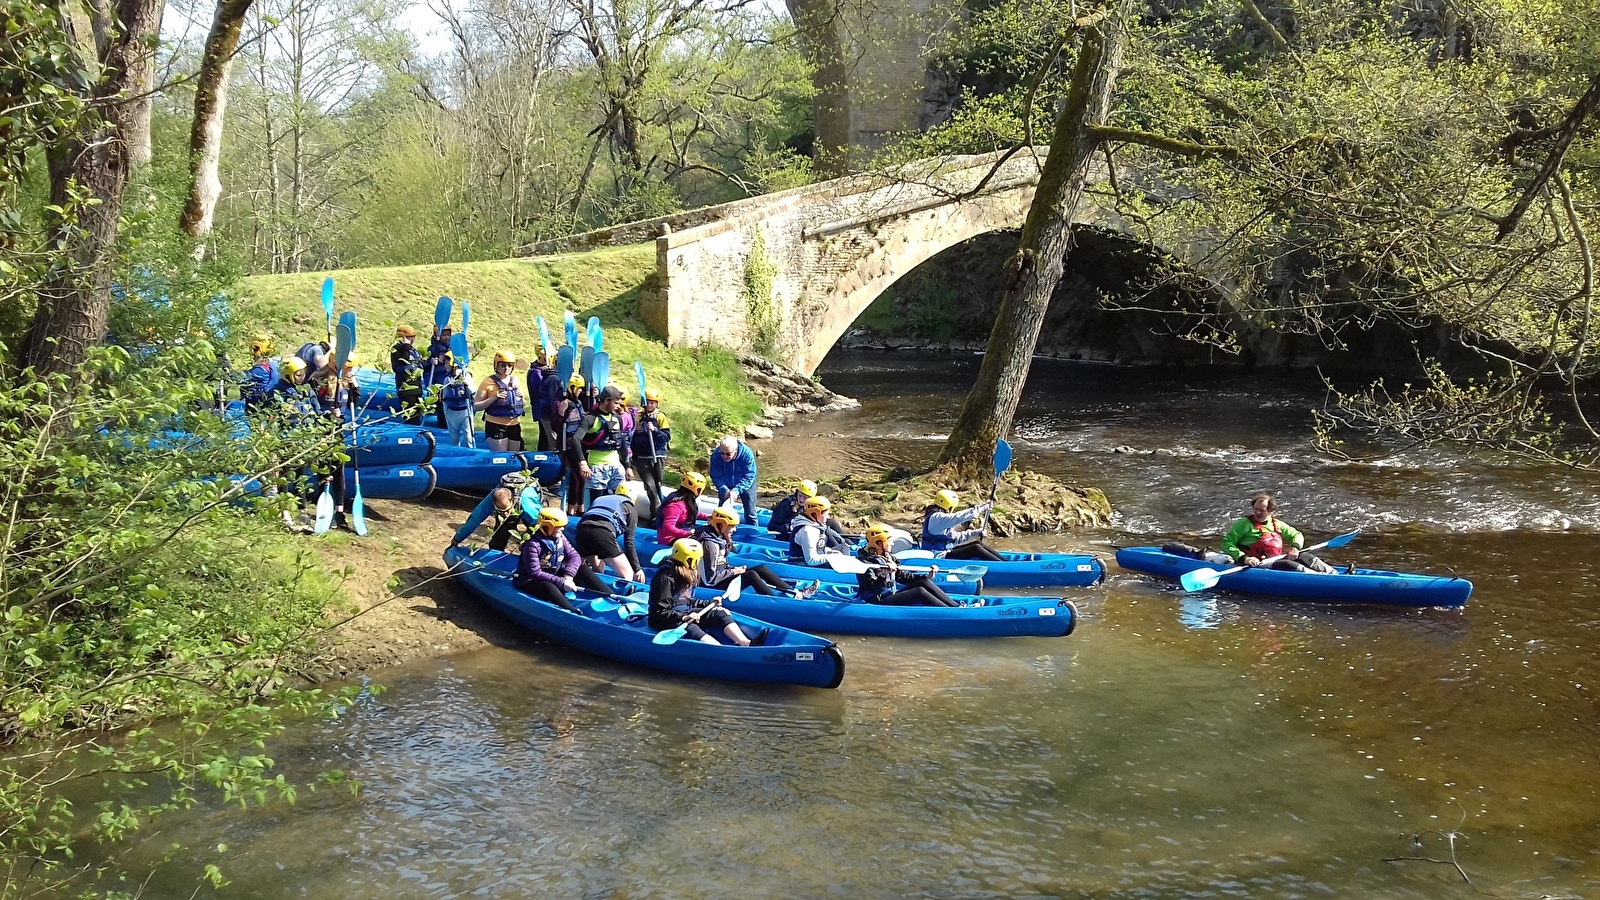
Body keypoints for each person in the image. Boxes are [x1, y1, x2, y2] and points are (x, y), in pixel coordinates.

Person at [647, 539, 766, 646]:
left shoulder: (686, 572)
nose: (699, 562)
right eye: (697, 559)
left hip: (685, 613)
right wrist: (683, 617)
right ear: (688, 560)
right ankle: (721, 651)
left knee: (719, 612)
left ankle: (745, 643)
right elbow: (659, 612)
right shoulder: (665, 578)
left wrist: (709, 603)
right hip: (665, 620)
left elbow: (687, 600)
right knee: (691, 626)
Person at [696, 505, 814, 597]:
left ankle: (792, 591)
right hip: (712, 586)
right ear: (721, 525)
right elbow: (709, 580)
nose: (735, 529)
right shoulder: (709, 544)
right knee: (751, 575)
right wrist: (733, 572)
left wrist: (732, 569)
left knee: (760, 568)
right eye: (732, 526)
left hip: (721, 577)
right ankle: (774, 601)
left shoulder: (719, 539)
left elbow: (721, 565)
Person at [513, 508, 614, 613]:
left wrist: (569, 576)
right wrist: (562, 582)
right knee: (547, 586)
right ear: (547, 526)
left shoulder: (560, 538)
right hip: (530, 581)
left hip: (554, 574)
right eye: (558, 527)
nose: (562, 529)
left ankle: (610, 595)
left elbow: (574, 555)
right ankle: (571, 610)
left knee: (582, 568)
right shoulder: (532, 545)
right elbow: (535, 573)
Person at [1219, 492, 1339, 574]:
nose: (1257, 513)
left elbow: (1297, 535)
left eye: (1262, 510)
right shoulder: (1243, 524)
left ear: (1271, 511)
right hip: (1255, 564)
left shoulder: (1277, 524)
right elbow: (1227, 543)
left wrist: (1295, 548)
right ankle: (1320, 579)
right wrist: (1244, 558)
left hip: (1273, 559)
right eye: (1256, 509)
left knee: (1305, 556)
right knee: (1287, 564)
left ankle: (1334, 574)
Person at [856, 524, 960, 606]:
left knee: (924, 582)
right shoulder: (865, 563)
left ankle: (955, 607)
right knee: (919, 592)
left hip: (890, 594)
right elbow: (871, 589)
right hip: (876, 600)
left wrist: (927, 576)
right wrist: (883, 575)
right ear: (879, 543)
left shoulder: (889, 558)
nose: (892, 543)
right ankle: (952, 614)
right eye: (890, 540)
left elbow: (903, 577)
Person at [575, 482, 645, 583]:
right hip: (602, 532)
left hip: (581, 530)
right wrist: (637, 569)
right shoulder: (631, 509)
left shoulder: (600, 499)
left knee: (598, 570)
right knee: (628, 575)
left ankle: (592, 589)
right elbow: (629, 542)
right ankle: (621, 597)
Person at [450, 471, 539, 550]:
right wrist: (458, 538)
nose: (505, 514)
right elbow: (475, 518)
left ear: (511, 499)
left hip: (528, 507)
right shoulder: (492, 498)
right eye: (501, 511)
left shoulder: (527, 502)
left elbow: (540, 523)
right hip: (512, 503)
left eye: (507, 510)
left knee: (532, 540)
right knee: (498, 538)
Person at [578, 385, 634, 502]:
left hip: (616, 466)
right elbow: (575, 439)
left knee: (618, 500)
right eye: (616, 403)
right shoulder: (590, 418)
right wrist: (582, 463)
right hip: (597, 467)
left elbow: (622, 442)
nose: (619, 406)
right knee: (597, 502)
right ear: (607, 400)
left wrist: (628, 467)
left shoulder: (617, 418)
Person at [921, 490, 1003, 561]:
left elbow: (955, 538)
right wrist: (982, 508)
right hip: (937, 557)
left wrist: (975, 533)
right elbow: (959, 517)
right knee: (976, 549)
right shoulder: (937, 518)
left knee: (978, 544)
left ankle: (1007, 564)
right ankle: (1004, 567)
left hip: (946, 552)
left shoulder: (941, 518)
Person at [768, 480, 851, 545]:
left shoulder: (810, 504)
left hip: (806, 527)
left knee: (831, 523)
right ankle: (841, 548)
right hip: (790, 535)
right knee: (825, 532)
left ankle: (848, 542)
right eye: (800, 496)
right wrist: (790, 526)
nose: (801, 500)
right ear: (797, 493)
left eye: (805, 498)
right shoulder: (785, 505)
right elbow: (771, 526)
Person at [630, 389, 671, 517]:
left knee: (657, 483)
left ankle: (662, 511)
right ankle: (656, 512)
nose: (650, 405)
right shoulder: (638, 416)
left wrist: (654, 430)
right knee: (649, 485)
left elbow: (666, 437)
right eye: (648, 402)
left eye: (653, 403)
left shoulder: (660, 416)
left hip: (657, 454)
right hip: (641, 456)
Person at [475, 351, 526, 451]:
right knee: (501, 458)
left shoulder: (515, 381)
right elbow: (476, 405)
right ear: (496, 365)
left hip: (514, 424)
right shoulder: (487, 382)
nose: (506, 368)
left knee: (513, 458)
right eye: (503, 365)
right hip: (496, 425)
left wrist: (522, 398)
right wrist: (493, 398)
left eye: (510, 365)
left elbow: (523, 404)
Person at [787, 495, 852, 565]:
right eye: (825, 514)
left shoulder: (817, 525)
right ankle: (845, 573)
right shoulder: (807, 531)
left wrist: (830, 552)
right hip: (802, 564)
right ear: (815, 513)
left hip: (817, 560)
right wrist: (831, 557)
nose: (827, 517)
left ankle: (846, 568)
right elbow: (811, 560)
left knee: (844, 546)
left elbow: (819, 549)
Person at [709, 435, 759, 525]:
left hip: (746, 484)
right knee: (722, 510)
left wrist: (736, 491)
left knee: (750, 512)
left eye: (728, 454)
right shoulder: (716, 455)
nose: (724, 456)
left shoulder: (746, 454)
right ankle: (719, 529)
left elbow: (749, 475)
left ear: (735, 450)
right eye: (722, 453)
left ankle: (753, 531)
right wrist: (724, 489)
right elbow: (716, 476)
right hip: (725, 484)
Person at [558, 375, 588, 514]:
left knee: (579, 478)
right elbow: (556, 424)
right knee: (578, 477)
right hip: (568, 445)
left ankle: (575, 507)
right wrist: (560, 413)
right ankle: (575, 509)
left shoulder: (578, 404)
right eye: (579, 388)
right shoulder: (565, 403)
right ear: (572, 388)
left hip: (578, 444)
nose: (580, 391)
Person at [656, 471, 706, 543]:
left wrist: (706, 516)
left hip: (682, 535)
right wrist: (688, 534)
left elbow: (688, 514)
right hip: (670, 540)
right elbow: (668, 527)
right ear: (698, 490)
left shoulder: (687, 501)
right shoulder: (675, 505)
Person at [391, 325, 424, 424]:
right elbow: (403, 362)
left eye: (413, 337)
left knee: (417, 414)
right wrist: (405, 347)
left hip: (416, 387)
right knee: (410, 417)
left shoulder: (413, 350)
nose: (412, 339)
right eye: (409, 337)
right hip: (405, 388)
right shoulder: (396, 350)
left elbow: (419, 365)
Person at [439, 363, 476, 448]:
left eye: (458, 368)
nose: (456, 370)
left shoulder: (467, 377)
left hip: (465, 411)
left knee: (468, 436)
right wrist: (446, 412)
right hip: (452, 411)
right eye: (454, 368)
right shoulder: (447, 380)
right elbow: (444, 397)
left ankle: (470, 452)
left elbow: (472, 392)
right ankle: (456, 453)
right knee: (454, 437)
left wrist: (466, 384)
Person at [534, 353, 563, 452]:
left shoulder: (554, 377)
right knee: (554, 443)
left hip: (548, 414)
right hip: (549, 415)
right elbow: (553, 400)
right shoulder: (553, 378)